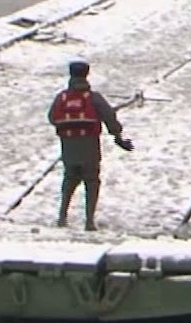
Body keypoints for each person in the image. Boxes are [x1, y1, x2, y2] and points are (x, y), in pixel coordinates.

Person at [48, 61, 132, 230]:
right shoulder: (93, 98)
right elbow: (109, 117)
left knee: (70, 178)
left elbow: (52, 117)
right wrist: (118, 137)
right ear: (86, 75)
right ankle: (89, 221)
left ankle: (62, 216)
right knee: (91, 180)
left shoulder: (62, 97)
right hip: (90, 144)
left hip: (69, 145)